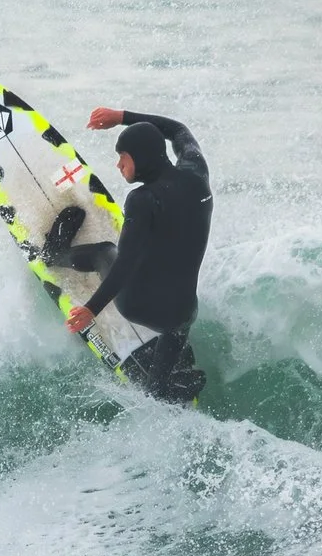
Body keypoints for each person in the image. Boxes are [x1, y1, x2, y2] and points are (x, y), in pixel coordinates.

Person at [61, 105, 211, 403]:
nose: (119, 166)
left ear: (139, 159)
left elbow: (125, 262)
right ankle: (167, 385)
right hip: (184, 313)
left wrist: (92, 309)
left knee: (106, 252)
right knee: (156, 390)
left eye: (123, 158)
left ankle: (56, 254)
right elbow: (178, 129)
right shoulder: (197, 171)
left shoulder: (143, 200)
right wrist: (121, 117)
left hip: (140, 306)